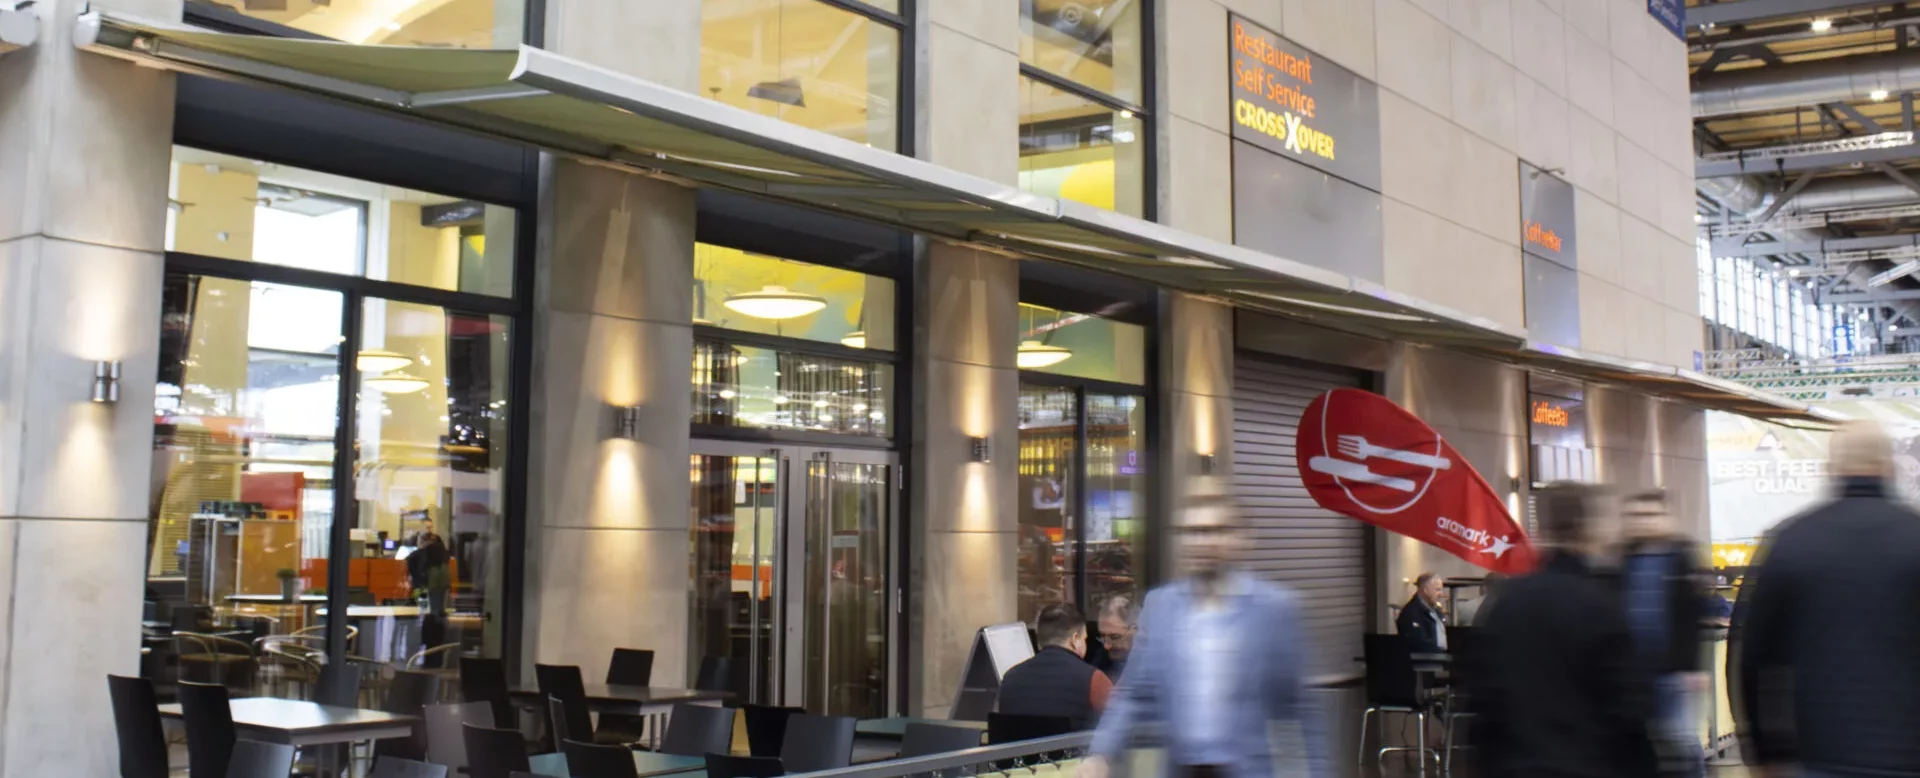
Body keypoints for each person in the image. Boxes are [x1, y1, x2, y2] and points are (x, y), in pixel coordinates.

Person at [1084, 493, 1328, 778]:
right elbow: (1134, 694)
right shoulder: (1161, 607)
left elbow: (1299, 708)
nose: (1200, 542)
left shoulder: (1274, 609)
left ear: (1241, 538)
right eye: (1191, 532)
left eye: (1213, 531)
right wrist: (1101, 753)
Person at [1732, 421, 1920, 778]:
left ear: (1831, 469)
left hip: (1819, 755)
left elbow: (1753, 656)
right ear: (1889, 467)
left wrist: (1761, 751)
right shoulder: (1915, 536)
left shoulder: (1791, 540)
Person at [1469, 483, 1656, 778]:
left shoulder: (1504, 603)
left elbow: (1484, 705)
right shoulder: (1601, 605)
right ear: (1586, 531)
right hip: (1588, 765)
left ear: (1540, 533)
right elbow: (1627, 711)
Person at [1620, 490, 1709, 778]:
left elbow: (1693, 614)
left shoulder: (1682, 558)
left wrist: (1693, 667)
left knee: (1680, 740)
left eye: (1651, 515)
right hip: (1634, 675)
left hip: (1674, 674)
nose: (1643, 522)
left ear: (1666, 517)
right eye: (1636, 516)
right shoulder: (1623, 560)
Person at [995, 603, 1112, 730]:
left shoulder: (1009, 679)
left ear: (1039, 642)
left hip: (1021, 743)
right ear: (1075, 639)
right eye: (1085, 639)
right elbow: (1118, 727)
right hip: (1075, 743)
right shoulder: (1094, 679)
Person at [1396, 572, 1449, 653]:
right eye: (1437, 590)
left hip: (1442, 656)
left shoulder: (1437, 610)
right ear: (1426, 590)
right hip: (1426, 658)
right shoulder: (1411, 613)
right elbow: (1419, 643)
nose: (1441, 594)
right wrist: (1441, 652)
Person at [1094, 595, 1136, 680]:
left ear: (1136, 629)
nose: (1106, 646)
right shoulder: (1101, 658)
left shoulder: (1157, 663)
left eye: (1114, 637)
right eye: (1102, 636)